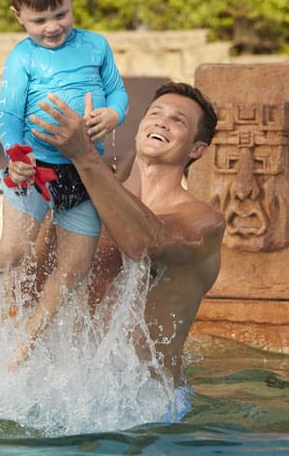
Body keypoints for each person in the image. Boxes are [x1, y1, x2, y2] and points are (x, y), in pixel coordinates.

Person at [0, 0, 129, 360]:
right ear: (18, 15)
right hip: (33, 168)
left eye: (60, 14)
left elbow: (117, 91)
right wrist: (16, 155)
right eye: (39, 21)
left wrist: (113, 113)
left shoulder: (96, 45)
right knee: (15, 250)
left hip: (86, 171)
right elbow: (9, 114)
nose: (51, 27)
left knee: (75, 267)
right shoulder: (23, 58)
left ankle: (27, 341)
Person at [28, 82, 225, 417]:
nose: (162, 122)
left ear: (197, 150)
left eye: (178, 121)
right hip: (70, 392)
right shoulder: (88, 203)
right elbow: (37, 279)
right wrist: (66, 172)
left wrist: (85, 158)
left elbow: (145, 244)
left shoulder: (203, 221)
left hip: (150, 403)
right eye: (155, 114)